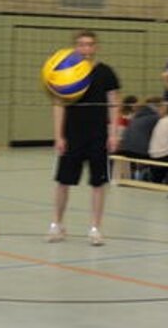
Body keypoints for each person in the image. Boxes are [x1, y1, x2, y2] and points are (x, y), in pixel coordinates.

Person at [47, 31, 120, 245]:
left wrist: (113, 134)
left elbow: (115, 103)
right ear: (75, 48)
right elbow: (59, 104)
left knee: (98, 184)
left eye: (89, 45)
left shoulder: (106, 72)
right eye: (81, 45)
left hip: (98, 136)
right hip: (72, 136)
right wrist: (59, 136)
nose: (85, 49)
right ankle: (56, 225)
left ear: (95, 47)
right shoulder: (66, 72)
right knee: (63, 182)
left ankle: (95, 228)